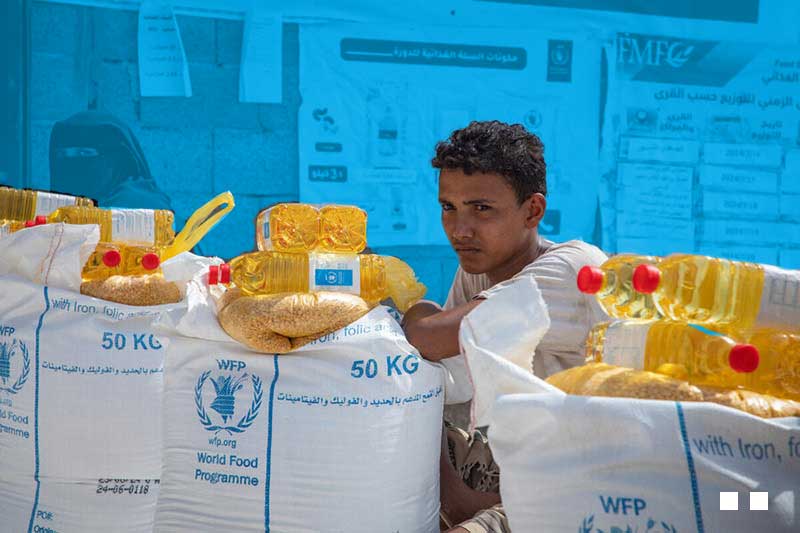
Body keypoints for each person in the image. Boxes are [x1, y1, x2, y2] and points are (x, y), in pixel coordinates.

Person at [401, 120, 608, 532]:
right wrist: (453, 494)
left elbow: (430, 337)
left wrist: (418, 309)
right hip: (515, 463)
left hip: (591, 480)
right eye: (449, 207)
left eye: (482, 209)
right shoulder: (481, 268)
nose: (460, 230)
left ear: (532, 210)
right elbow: (431, 381)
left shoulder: (573, 267)